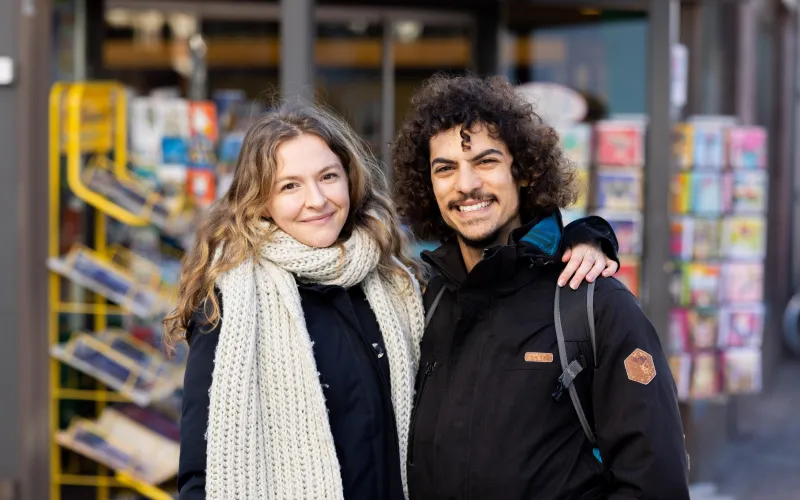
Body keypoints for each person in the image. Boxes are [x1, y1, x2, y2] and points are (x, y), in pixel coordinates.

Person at [167, 103, 618, 500]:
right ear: (260, 201)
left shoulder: (397, 284)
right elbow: (203, 474)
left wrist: (583, 235)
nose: (316, 200)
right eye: (289, 186)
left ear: (350, 178)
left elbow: (497, 273)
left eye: (328, 177)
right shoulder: (231, 304)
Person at [392, 74, 690, 500]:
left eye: (485, 162)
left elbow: (654, 484)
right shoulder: (432, 299)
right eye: (446, 168)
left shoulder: (594, 305)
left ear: (525, 172)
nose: (466, 184)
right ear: (429, 186)